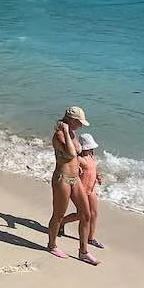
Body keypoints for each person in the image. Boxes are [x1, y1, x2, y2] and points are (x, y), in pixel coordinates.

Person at [46, 106, 98, 266]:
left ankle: (83, 251)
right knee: (58, 215)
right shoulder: (59, 135)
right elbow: (69, 153)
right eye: (79, 122)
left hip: (75, 178)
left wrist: (79, 166)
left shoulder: (73, 133)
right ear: (71, 120)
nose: (81, 126)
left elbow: (75, 155)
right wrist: (66, 130)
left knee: (86, 214)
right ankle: (52, 245)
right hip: (62, 179)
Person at [59, 132, 105, 249]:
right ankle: (62, 221)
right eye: (89, 148)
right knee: (82, 214)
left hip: (92, 188)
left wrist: (98, 176)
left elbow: (94, 169)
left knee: (94, 214)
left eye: (92, 148)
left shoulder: (91, 157)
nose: (91, 150)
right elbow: (70, 167)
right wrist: (76, 168)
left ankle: (91, 238)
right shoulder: (79, 159)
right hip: (81, 189)